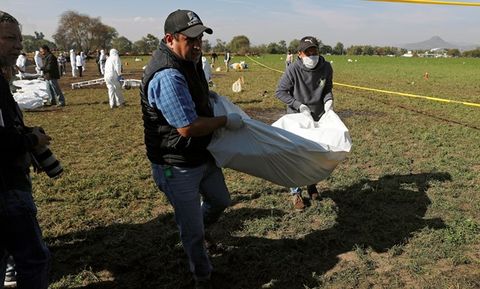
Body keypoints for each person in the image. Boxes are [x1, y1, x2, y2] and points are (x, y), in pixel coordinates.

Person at [140, 9, 244, 289]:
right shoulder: (167, 75)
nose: (198, 45)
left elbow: (194, 95)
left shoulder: (189, 60)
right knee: (192, 230)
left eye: (201, 39)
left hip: (201, 153)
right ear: (170, 39)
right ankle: (203, 276)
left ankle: (199, 230)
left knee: (221, 200)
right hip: (176, 162)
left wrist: (206, 95)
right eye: (191, 40)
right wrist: (225, 121)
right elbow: (186, 127)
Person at [0, 10, 51, 289]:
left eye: (19, 39)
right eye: (9, 38)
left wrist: (25, 133)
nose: (19, 45)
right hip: (6, 187)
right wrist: (32, 142)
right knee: (33, 259)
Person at [275, 36, 334, 211]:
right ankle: (295, 193)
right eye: (307, 52)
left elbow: (327, 89)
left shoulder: (326, 67)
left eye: (314, 51)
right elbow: (280, 92)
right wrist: (299, 106)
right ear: (300, 54)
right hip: (297, 118)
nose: (312, 55)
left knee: (314, 154)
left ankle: (311, 185)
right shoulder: (293, 69)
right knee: (295, 155)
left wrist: (329, 101)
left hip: (317, 117)